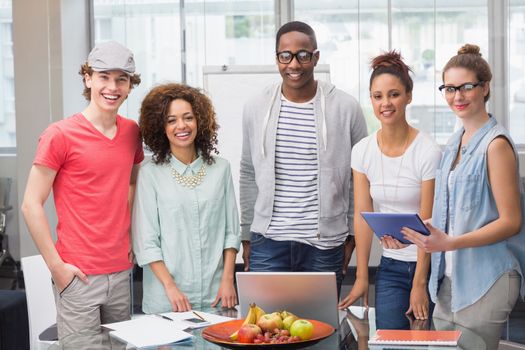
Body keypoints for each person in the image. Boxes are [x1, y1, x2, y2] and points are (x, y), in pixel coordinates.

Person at [402, 44, 525, 349]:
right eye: (449, 88)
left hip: (487, 278)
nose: (457, 96)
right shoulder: (454, 142)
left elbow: (511, 222)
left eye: (466, 87)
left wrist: (450, 242)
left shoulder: (495, 145)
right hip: (448, 278)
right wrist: (410, 234)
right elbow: (451, 216)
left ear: (484, 88)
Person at [21, 41, 144, 339]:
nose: (112, 87)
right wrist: (56, 267)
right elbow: (30, 204)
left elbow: (130, 181)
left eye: (121, 79)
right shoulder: (60, 134)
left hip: (120, 271)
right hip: (78, 275)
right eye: (104, 77)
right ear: (88, 78)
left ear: (129, 86)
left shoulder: (131, 132)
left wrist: (129, 234)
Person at [239, 21, 368, 292]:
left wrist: (352, 233)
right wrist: (247, 233)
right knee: (266, 329)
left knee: (319, 329)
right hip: (268, 241)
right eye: (285, 56)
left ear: (316, 57)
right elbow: (248, 171)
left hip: (324, 245)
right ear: (277, 58)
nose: (293, 64)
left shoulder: (346, 108)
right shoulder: (256, 106)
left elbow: (359, 178)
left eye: (303, 55)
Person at [338, 51, 441, 330]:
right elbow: (361, 215)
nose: (385, 103)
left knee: (423, 344)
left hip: (428, 268)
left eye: (393, 94)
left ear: (408, 95)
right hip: (391, 266)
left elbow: (429, 222)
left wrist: (419, 283)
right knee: (388, 341)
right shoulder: (362, 151)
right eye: (377, 96)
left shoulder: (428, 151)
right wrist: (361, 277)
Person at [132, 83, 240, 313]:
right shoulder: (150, 174)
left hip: (217, 296)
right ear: (160, 127)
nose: (181, 126)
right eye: (171, 120)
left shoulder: (221, 169)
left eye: (188, 117)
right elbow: (147, 242)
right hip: (167, 299)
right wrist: (170, 287)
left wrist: (228, 279)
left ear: (199, 120)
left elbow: (231, 232)